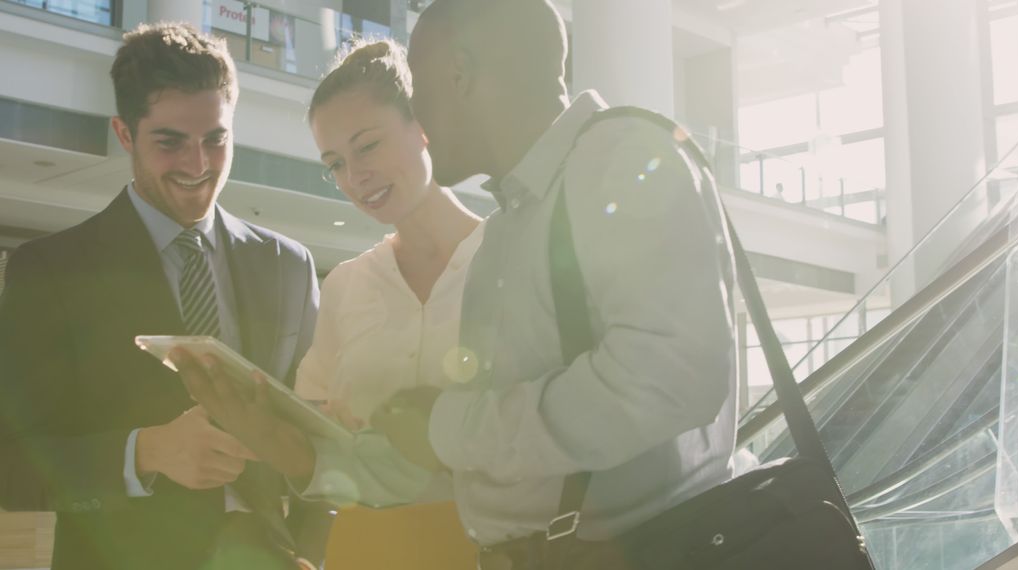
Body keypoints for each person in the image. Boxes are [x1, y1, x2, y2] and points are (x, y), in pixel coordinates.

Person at [378, 0, 739, 567]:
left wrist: (450, 429)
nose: (415, 122)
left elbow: (672, 377)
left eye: (416, 90)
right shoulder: (509, 225)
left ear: (459, 73)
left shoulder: (621, 157)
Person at [0, 22, 322, 570]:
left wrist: (311, 550)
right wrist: (144, 453)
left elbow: (313, 435)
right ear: (125, 135)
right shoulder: (48, 271)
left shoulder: (288, 265)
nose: (198, 166)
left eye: (216, 140)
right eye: (170, 142)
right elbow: (11, 462)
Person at [297, 38, 482, 568]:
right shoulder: (346, 286)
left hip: (494, 550)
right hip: (366, 549)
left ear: (421, 126)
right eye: (335, 163)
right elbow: (315, 434)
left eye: (367, 146)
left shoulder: (508, 259)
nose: (355, 178)